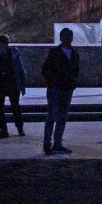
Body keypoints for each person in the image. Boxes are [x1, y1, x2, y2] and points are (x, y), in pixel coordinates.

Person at [42, 27, 79, 155]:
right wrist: (52, 82)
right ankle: (48, 143)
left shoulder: (73, 53)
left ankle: (56, 143)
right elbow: (46, 69)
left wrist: (73, 83)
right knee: (53, 116)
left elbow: (76, 70)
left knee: (61, 116)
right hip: (56, 88)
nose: (68, 40)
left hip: (66, 88)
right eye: (66, 37)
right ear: (62, 38)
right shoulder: (55, 53)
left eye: (70, 37)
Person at [0, 34, 26, 138]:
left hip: (12, 83)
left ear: (5, 44)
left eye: (0, 44)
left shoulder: (14, 55)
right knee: (0, 107)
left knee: (15, 107)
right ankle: (4, 129)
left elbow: (20, 70)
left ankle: (19, 128)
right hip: (1, 83)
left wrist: (22, 85)